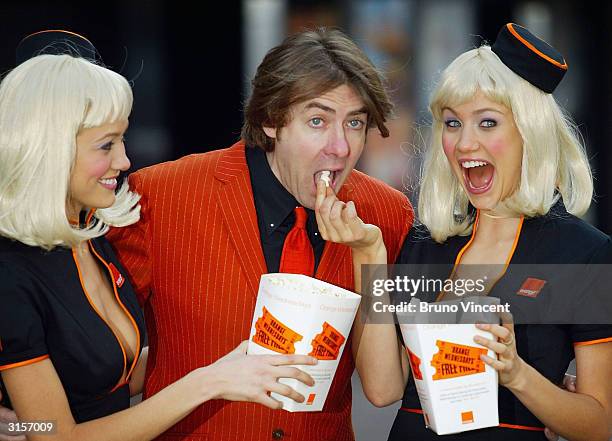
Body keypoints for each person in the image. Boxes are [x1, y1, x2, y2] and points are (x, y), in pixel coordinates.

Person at [0, 30, 318, 441]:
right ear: (48, 148)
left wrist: (229, 360)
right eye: (105, 145)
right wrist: (210, 381)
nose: (125, 160)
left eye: (123, 139)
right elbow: (53, 435)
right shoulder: (10, 273)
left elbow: (108, 378)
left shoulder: (88, 233)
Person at [105, 28, 412, 440]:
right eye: (317, 120)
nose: (340, 147)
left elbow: (384, 386)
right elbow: (93, 342)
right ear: (270, 120)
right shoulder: (163, 197)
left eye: (354, 123)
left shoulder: (387, 214)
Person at [314, 23, 612, 441]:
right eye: (452, 124)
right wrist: (368, 254)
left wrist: (516, 373)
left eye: (487, 123)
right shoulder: (426, 243)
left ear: (531, 132)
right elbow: (382, 390)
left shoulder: (586, 253)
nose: (465, 143)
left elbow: (601, 425)